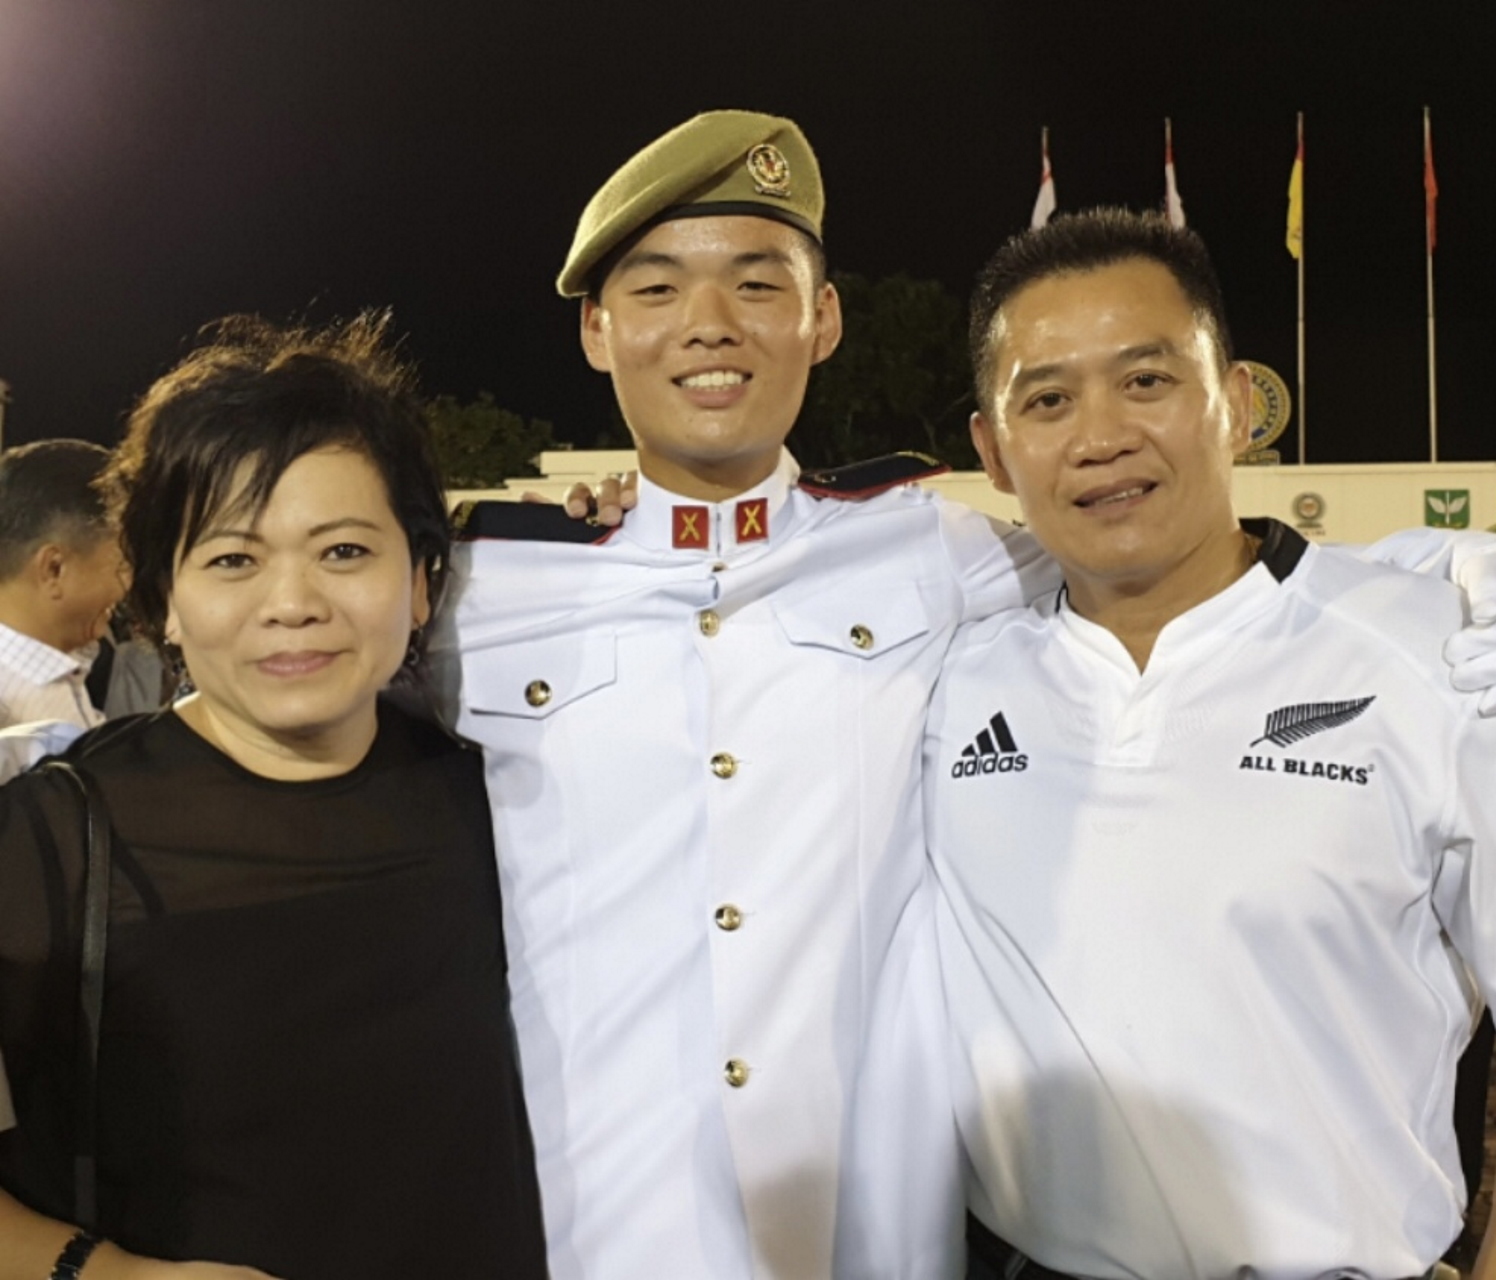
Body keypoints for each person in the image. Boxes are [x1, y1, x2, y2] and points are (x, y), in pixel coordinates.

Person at [431, 110, 1496, 1280]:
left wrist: (1455, 577)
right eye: (655, 288)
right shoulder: (479, 589)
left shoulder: (932, 555)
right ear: (595, 328)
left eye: (757, 282)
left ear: (822, 318)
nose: (709, 323)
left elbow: (1219, 572)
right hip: (594, 1239)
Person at [928, 208, 1496, 1279]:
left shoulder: (1439, 655)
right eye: (1047, 399)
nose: (1100, 436)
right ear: (992, 451)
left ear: (1236, 404)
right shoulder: (945, 687)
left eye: (1145, 380)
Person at [0, 314, 547, 1279]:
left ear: (422, 582)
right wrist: (110, 1274)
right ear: (163, 599)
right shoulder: (56, 838)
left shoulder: (501, 800)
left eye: (344, 552)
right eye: (232, 560)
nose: (292, 603)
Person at [0, 440, 127, 730]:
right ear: (54, 569)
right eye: (122, 564)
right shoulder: (12, 713)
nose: (129, 584)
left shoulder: (54, 672)